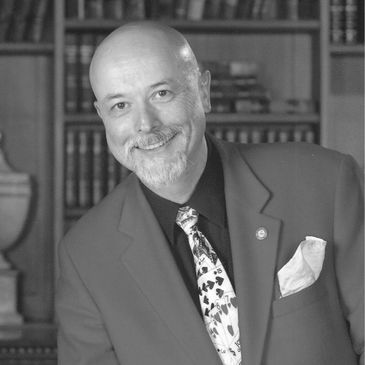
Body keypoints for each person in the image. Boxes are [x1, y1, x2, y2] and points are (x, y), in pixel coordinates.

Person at [56, 21, 364, 365]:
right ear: (102, 116)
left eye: (161, 93)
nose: (145, 124)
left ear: (203, 91)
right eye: (120, 106)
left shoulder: (325, 181)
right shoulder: (85, 255)